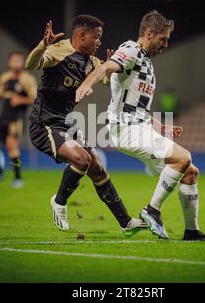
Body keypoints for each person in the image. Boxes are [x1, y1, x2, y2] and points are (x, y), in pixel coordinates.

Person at [75, 10, 205, 241]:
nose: (165, 45)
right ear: (149, 34)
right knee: (183, 157)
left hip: (139, 126)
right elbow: (105, 68)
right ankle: (152, 211)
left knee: (190, 172)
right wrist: (86, 85)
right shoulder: (130, 50)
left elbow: (136, 106)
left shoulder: (146, 62)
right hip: (126, 129)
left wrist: (161, 126)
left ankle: (192, 231)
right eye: (163, 40)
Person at [25, 15, 146, 236]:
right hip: (44, 123)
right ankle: (59, 202)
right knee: (82, 159)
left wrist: (111, 71)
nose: (99, 42)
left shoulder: (93, 62)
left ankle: (126, 222)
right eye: (96, 37)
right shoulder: (59, 51)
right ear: (82, 35)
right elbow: (31, 64)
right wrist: (43, 45)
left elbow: (107, 79)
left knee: (97, 167)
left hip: (67, 122)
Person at [0, 52, 37, 188]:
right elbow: (0, 94)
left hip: (17, 118)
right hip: (3, 116)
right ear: (9, 62)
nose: (16, 63)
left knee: (11, 146)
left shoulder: (28, 79)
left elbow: (35, 100)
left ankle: (18, 178)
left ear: (23, 62)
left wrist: (21, 100)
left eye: (19, 60)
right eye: (14, 60)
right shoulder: (4, 77)